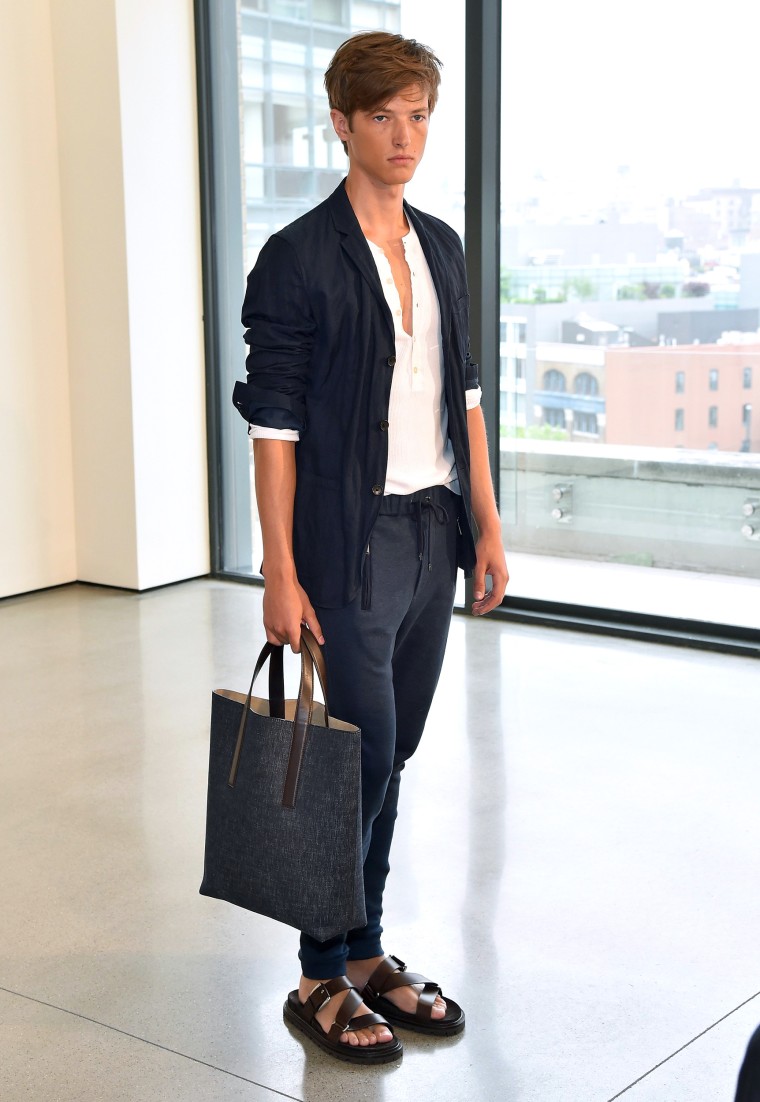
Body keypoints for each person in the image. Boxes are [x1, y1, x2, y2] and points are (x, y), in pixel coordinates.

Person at [232, 30, 508, 1065]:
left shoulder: (439, 243)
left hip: (430, 529)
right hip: (343, 545)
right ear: (341, 124)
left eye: (419, 116)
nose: (405, 137)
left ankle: (364, 951)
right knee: (357, 758)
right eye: (384, 117)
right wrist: (279, 568)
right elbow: (273, 425)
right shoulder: (297, 256)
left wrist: (484, 517)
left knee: (394, 752)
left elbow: (465, 396)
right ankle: (318, 970)